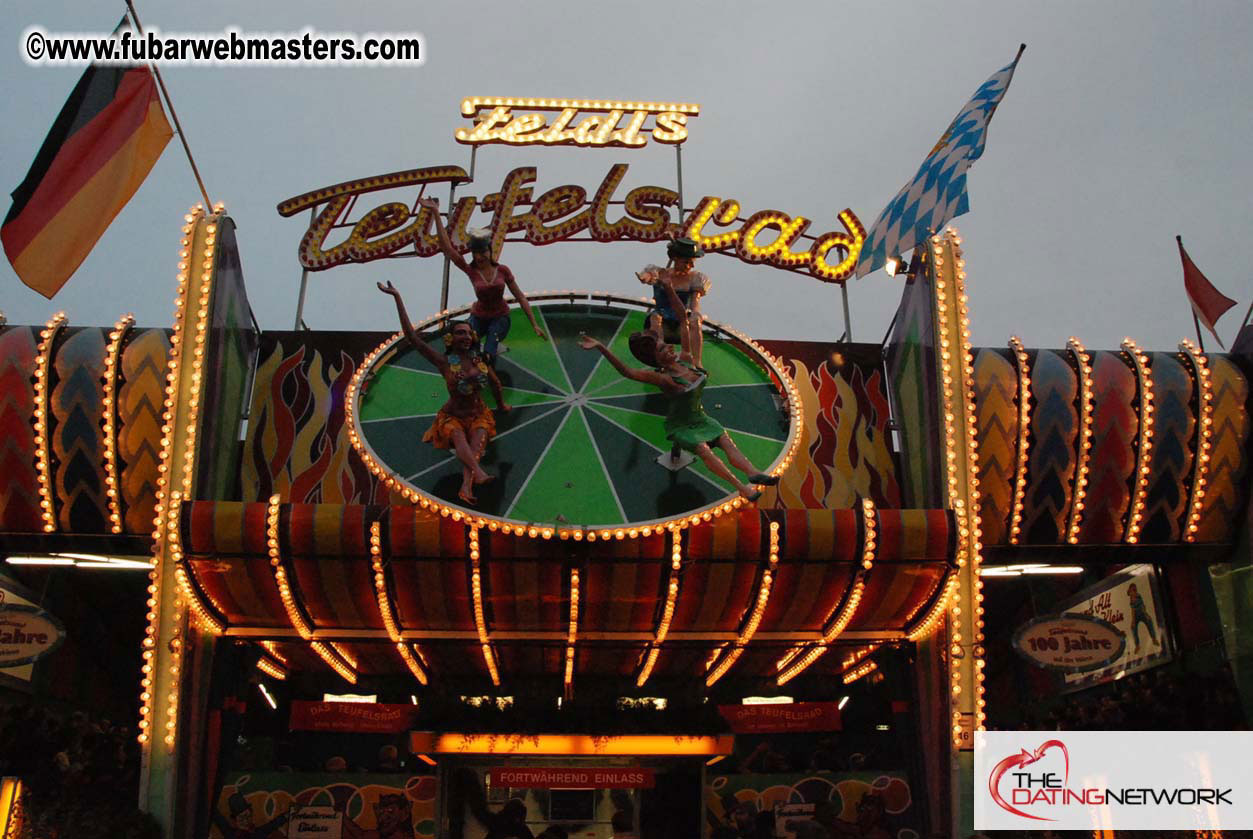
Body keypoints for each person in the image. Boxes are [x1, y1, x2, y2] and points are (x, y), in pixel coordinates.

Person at [578, 275, 777, 501]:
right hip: (682, 426)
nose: (670, 350)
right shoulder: (665, 379)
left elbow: (684, 319)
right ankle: (743, 489)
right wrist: (602, 348)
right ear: (658, 360)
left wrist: (670, 289)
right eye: (663, 350)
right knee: (704, 450)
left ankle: (752, 472)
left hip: (701, 417)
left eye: (666, 346)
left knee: (726, 441)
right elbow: (629, 372)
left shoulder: (686, 359)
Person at [378, 281, 509, 505]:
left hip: (478, 413)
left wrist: (501, 405)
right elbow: (412, 337)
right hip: (453, 416)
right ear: (450, 339)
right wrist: (398, 298)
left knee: (477, 444)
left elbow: (495, 384)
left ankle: (466, 488)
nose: (465, 337)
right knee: (459, 437)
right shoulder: (445, 362)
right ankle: (478, 474)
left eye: (468, 333)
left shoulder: (480, 361)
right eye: (459, 333)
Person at [419, 196, 546, 365]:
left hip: (499, 317)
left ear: (490, 251)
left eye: (483, 252)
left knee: (489, 348)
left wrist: (534, 324)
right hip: (478, 316)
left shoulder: (502, 270)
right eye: (476, 253)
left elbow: (520, 297)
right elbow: (447, 248)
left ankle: (489, 370)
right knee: (465, 344)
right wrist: (435, 212)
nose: (480, 257)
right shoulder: (472, 271)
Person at [637, 237, 711, 344]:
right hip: (662, 316)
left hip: (682, 319)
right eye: (687, 262)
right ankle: (658, 345)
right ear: (675, 259)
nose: (691, 266)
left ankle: (694, 357)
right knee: (655, 317)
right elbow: (647, 275)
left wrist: (696, 313)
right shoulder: (661, 273)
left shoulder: (695, 278)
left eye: (692, 262)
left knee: (694, 321)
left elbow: (695, 300)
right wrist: (645, 277)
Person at [1126, 583, 1158, 654]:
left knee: (1149, 621)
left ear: (1134, 590)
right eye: (1130, 592)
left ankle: (1154, 639)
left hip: (1142, 613)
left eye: (1133, 591)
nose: (1132, 593)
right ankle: (1137, 645)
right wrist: (1133, 621)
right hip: (1136, 615)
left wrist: (1146, 614)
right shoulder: (1131, 599)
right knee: (1133, 628)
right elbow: (1133, 611)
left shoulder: (1138, 596)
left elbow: (1143, 606)